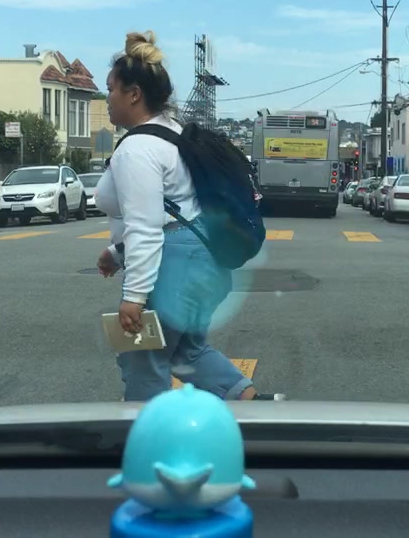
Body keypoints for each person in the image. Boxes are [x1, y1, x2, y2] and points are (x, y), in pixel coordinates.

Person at [95, 30, 279, 402]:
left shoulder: (137, 149)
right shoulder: (174, 135)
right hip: (203, 259)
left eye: (111, 89)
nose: (107, 98)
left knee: (142, 361)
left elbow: (147, 227)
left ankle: (150, 433)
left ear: (134, 94)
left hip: (174, 264)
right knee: (186, 353)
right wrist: (117, 253)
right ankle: (256, 410)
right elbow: (179, 209)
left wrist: (134, 296)